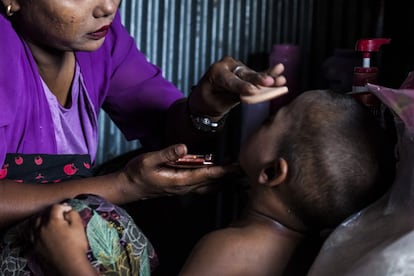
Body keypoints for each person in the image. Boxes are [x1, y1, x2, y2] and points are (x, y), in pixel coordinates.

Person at [0, 0, 287, 274]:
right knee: (98, 225)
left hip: (52, 224)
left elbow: (164, 128)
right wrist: (126, 184)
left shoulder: (99, 40)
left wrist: (206, 107)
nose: (108, 8)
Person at [178, 90, 395, 276]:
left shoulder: (226, 248)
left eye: (269, 120)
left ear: (272, 172)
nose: (260, 124)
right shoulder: (313, 255)